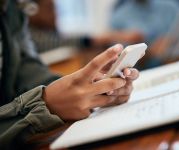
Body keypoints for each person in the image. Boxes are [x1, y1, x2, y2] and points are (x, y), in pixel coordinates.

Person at [0, 0, 139, 149]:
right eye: (50, 8)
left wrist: (83, 90)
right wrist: (45, 105)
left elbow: (25, 67)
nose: (55, 13)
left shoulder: (12, 7)